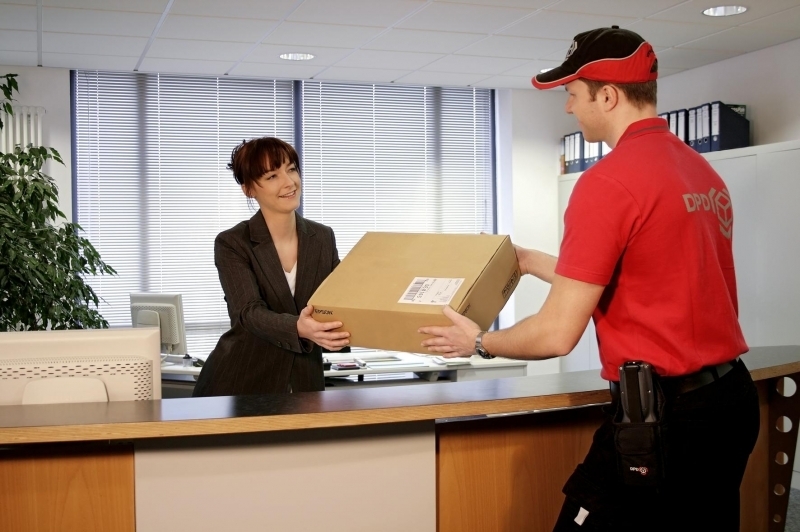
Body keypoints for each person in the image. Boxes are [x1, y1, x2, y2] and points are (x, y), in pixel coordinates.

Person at [419, 26, 759, 531]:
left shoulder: (607, 183)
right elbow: (640, 275)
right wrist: (530, 260)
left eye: (573, 93)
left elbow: (556, 335)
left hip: (664, 418)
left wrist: (480, 342)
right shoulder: (699, 172)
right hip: (728, 401)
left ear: (608, 95)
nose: (568, 107)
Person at [193, 137, 349, 397]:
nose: (289, 182)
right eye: (272, 176)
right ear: (249, 189)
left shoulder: (322, 237)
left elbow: (343, 298)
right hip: (241, 382)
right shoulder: (232, 242)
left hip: (305, 384)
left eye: (291, 169)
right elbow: (248, 312)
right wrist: (298, 328)